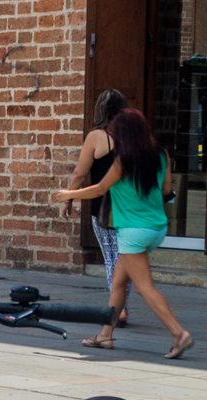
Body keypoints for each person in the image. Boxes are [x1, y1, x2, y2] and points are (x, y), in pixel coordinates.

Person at [54, 109, 194, 359]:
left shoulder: (124, 160)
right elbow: (166, 189)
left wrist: (69, 194)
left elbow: (99, 190)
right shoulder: (161, 155)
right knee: (119, 281)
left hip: (132, 231)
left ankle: (178, 333)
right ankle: (105, 335)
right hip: (157, 227)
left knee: (144, 288)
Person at [63, 89, 132, 327]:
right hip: (132, 206)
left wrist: (69, 198)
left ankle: (119, 310)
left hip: (105, 208)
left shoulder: (96, 136)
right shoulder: (134, 136)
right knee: (127, 258)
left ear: (99, 110)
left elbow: (81, 173)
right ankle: (122, 307)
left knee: (112, 258)